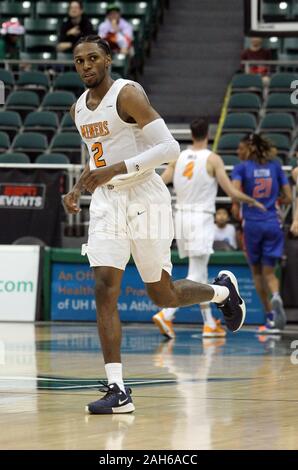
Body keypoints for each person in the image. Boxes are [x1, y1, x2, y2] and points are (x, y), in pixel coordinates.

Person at [63, 36, 249, 414]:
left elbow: (168, 149)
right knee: (104, 287)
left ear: (108, 59)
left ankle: (222, 292)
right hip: (107, 202)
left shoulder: (127, 94)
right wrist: (79, 187)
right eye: (79, 61)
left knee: (162, 295)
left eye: (93, 58)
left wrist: (117, 169)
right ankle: (118, 389)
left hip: (146, 196)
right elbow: (97, 158)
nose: (86, 65)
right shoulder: (78, 110)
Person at [152, 118, 264, 340]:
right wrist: (253, 202)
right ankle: (166, 313)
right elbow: (231, 192)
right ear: (208, 133)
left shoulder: (179, 157)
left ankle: (209, 324)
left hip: (180, 217)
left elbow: (160, 181)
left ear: (191, 134)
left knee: (200, 273)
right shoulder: (212, 159)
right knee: (196, 272)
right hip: (200, 217)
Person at [232, 134, 292, 334]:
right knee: (269, 272)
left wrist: (251, 202)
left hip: (253, 225)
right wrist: (275, 201)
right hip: (273, 223)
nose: (237, 152)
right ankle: (276, 296)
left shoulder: (241, 168)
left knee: (257, 272)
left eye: (240, 149)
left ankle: (270, 317)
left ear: (249, 149)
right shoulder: (275, 166)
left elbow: (235, 193)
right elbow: (289, 196)